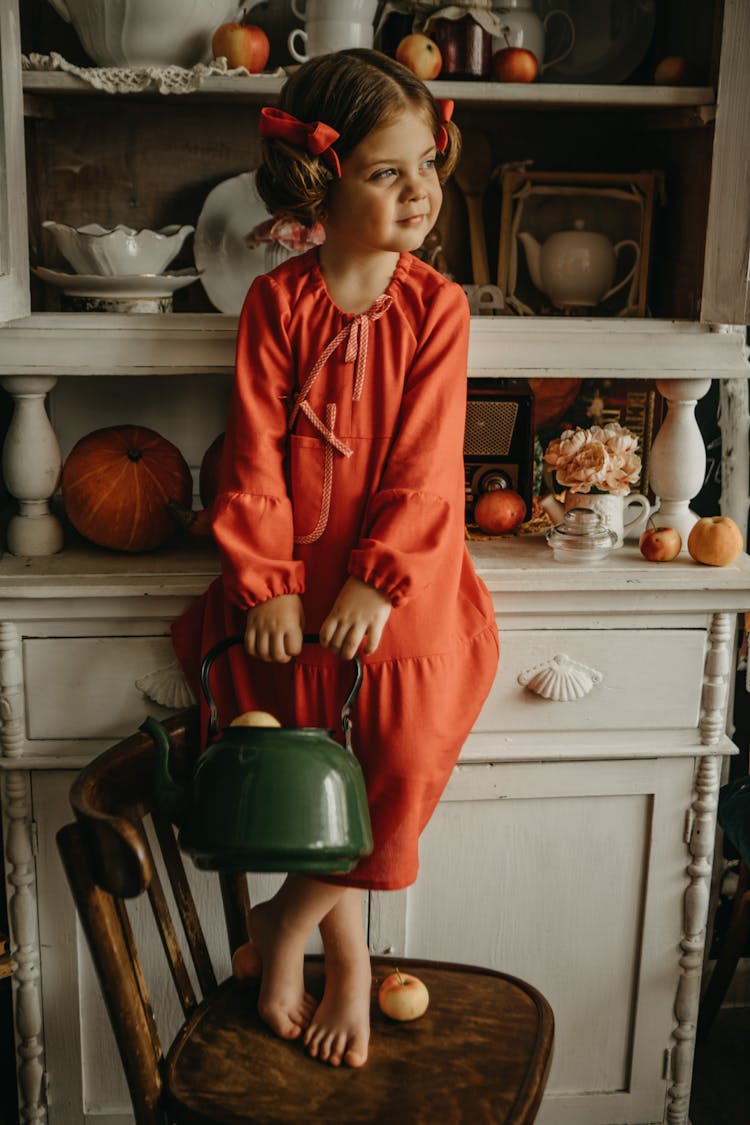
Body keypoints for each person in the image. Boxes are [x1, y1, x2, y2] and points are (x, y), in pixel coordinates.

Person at [172, 47, 499, 1070]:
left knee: (396, 767)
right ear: (323, 179)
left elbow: (427, 461)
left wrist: (379, 575)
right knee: (316, 773)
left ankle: (286, 921)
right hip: (295, 595)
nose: (419, 194)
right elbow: (253, 449)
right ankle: (347, 962)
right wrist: (265, 582)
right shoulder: (276, 304)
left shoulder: (437, 309)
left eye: (427, 169)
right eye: (386, 172)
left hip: (403, 588)